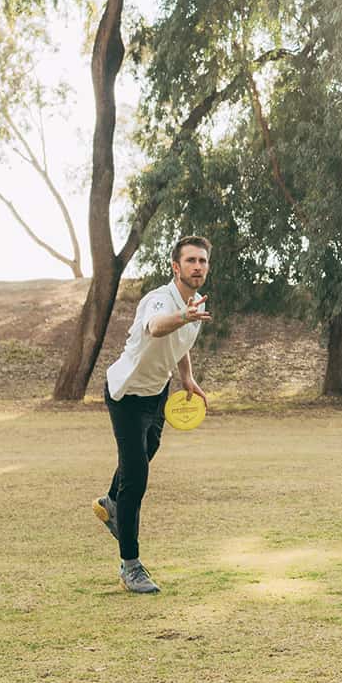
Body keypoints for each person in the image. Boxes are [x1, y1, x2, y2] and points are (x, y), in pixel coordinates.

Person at [91, 236, 212, 594]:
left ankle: (111, 502)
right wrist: (183, 316)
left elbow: (180, 344)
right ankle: (131, 567)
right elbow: (158, 327)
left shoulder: (195, 305)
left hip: (156, 395)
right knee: (137, 478)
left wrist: (187, 378)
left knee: (142, 458)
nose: (197, 267)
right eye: (191, 260)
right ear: (176, 267)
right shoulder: (160, 299)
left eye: (203, 261)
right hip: (126, 395)